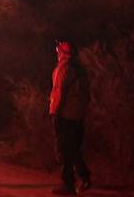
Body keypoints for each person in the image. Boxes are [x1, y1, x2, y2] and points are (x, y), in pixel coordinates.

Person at [49, 40, 91, 194]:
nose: (56, 52)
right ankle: (84, 176)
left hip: (65, 115)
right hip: (78, 116)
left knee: (65, 150)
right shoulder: (81, 70)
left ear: (62, 53)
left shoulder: (63, 69)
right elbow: (87, 95)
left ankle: (68, 184)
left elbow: (58, 92)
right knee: (74, 148)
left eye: (57, 49)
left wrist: (54, 112)